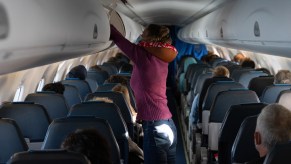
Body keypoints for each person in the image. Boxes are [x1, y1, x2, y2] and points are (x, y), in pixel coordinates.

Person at [110, 24, 178, 164]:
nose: (140, 34)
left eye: (143, 33)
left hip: (155, 128)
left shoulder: (143, 56)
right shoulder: (161, 57)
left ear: (149, 37)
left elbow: (117, 37)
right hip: (167, 124)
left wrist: (107, 19)